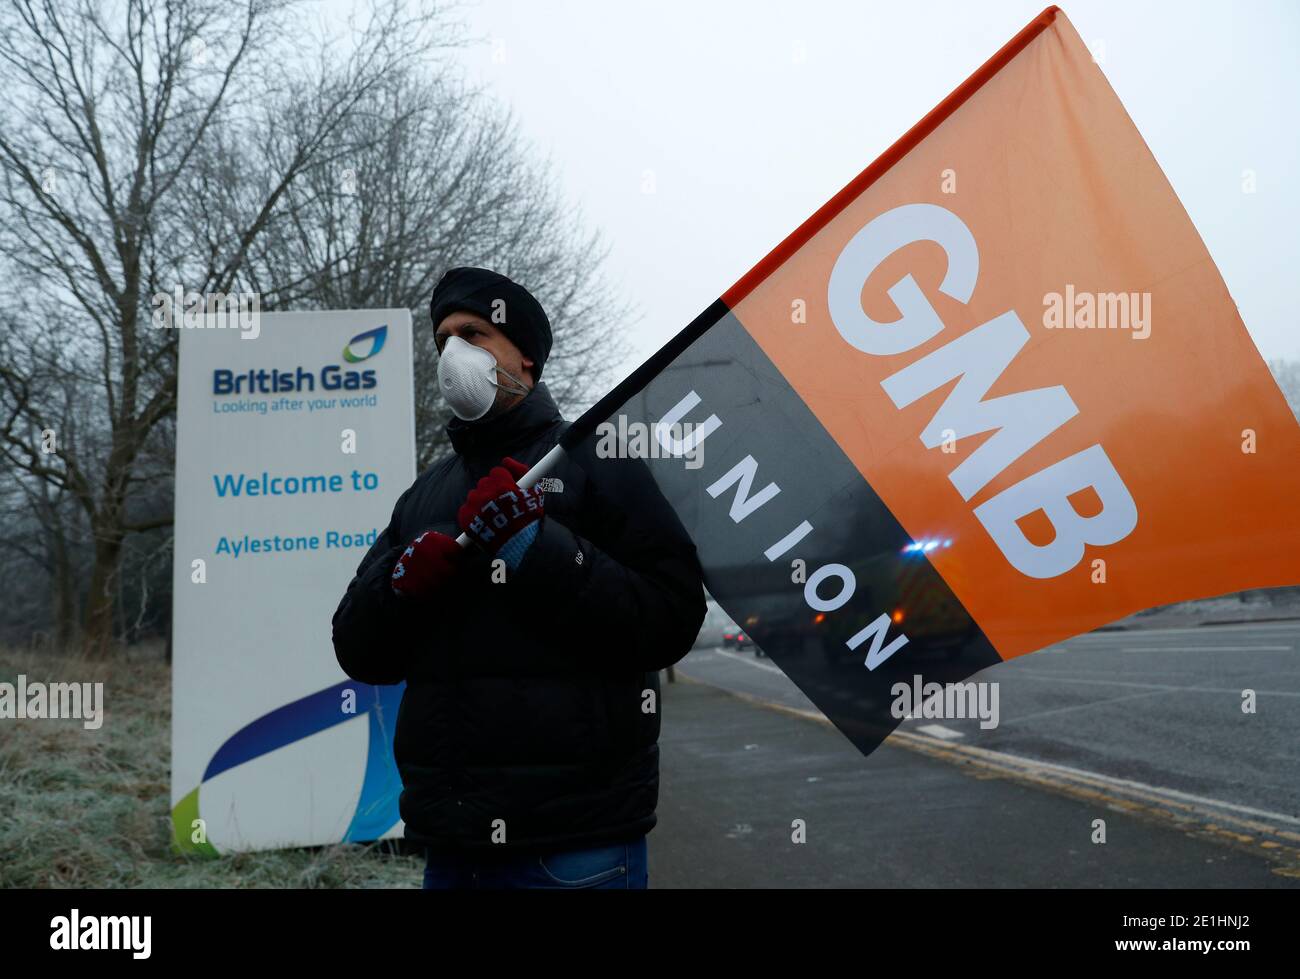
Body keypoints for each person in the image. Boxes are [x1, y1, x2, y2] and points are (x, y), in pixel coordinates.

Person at [331, 266, 707, 889]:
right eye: (444, 338)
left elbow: (669, 618)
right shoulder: (423, 498)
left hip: (576, 845)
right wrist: (398, 583)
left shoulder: (597, 461)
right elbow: (356, 649)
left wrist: (538, 546)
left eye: (474, 335)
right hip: (451, 846)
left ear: (525, 359)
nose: (454, 354)